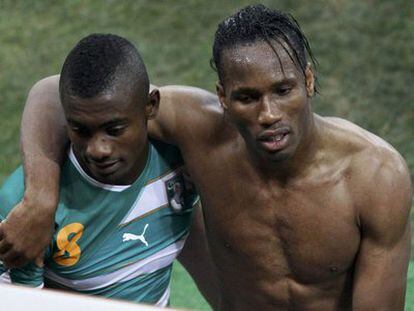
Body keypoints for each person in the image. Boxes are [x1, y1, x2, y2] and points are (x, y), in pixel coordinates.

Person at [0, 4, 412, 310]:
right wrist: (40, 198)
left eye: (282, 90)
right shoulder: (200, 130)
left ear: (308, 80)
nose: (268, 115)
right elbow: (51, 95)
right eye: (247, 98)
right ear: (223, 98)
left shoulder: (375, 176)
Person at [0, 33, 217, 307]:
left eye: (114, 130)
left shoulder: (181, 154)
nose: (97, 149)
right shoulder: (24, 211)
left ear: (150, 107)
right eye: (80, 130)